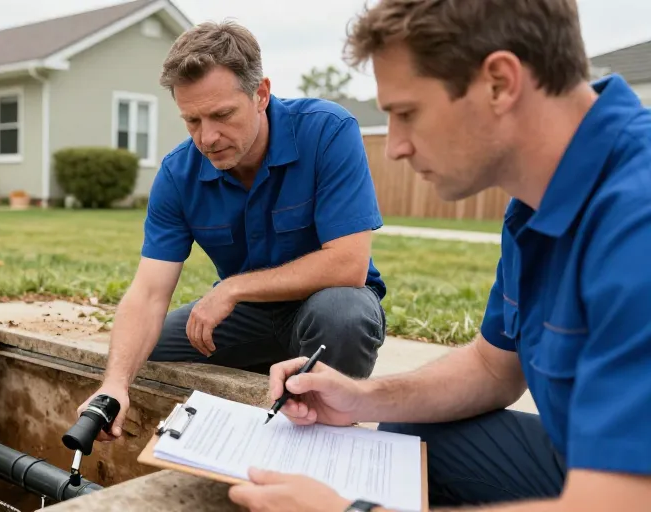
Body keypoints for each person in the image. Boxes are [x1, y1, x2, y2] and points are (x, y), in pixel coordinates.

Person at [227, 0, 651, 511]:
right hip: (587, 459)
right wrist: (361, 396)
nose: (395, 148)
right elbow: (493, 369)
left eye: (407, 114)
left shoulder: (636, 218)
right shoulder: (539, 203)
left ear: (499, 82)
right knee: (409, 432)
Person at [77, 20, 389, 440]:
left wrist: (231, 288)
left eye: (222, 115)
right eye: (192, 120)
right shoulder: (177, 174)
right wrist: (114, 383)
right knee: (146, 350)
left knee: (344, 314)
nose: (207, 137)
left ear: (260, 94)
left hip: (326, 305)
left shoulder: (327, 131)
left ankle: (325, 436)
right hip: (249, 320)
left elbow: (349, 264)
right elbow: (149, 292)